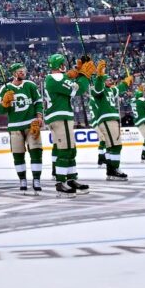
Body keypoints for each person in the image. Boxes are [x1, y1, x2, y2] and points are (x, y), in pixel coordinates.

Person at [44, 54, 95, 197]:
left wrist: (77, 71)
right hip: (60, 117)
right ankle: (61, 183)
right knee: (65, 150)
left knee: (71, 150)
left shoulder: (56, 78)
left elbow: (68, 80)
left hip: (61, 116)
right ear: (60, 65)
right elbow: (78, 89)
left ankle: (71, 179)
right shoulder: (54, 78)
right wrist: (84, 74)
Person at [0, 63, 44, 194]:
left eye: (23, 70)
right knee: (18, 155)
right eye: (19, 71)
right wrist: (5, 103)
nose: (22, 72)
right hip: (15, 127)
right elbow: (0, 111)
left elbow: (38, 103)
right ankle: (22, 180)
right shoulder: (4, 88)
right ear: (13, 73)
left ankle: (36, 179)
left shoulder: (30, 85)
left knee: (36, 152)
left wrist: (39, 117)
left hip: (31, 124)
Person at [90, 60, 134, 181]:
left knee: (111, 146)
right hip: (107, 119)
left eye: (111, 79)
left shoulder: (110, 90)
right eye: (108, 79)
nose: (111, 81)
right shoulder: (98, 90)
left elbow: (119, 88)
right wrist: (99, 76)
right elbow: (97, 88)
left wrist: (126, 82)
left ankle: (111, 170)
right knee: (116, 145)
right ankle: (114, 170)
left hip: (112, 119)